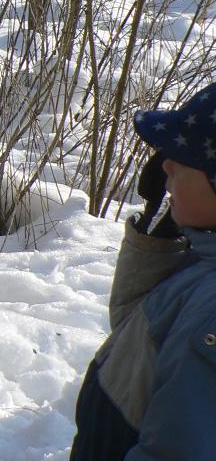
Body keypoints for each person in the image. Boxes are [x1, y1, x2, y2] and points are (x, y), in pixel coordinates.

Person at [69, 81, 216, 461]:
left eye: (185, 157)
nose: (165, 163)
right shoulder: (202, 262)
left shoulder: (211, 313)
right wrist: (157, 239)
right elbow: (138, 339)